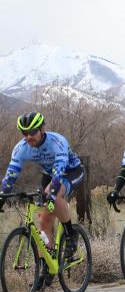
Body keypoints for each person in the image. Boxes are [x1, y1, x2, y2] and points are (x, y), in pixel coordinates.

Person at [0, 111, 84, 260]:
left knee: (52, 193)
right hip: (49, 174)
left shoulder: (57, 142)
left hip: (70, 171)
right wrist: (2, 195)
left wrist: (51, 194)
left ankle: (71, 235)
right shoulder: (21, 148)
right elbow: (11, 174)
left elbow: (59, 172)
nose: (28, 137)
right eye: (24, 133)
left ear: (42, 130)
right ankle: (46, 263)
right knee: (44, 219)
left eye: (32, 132)